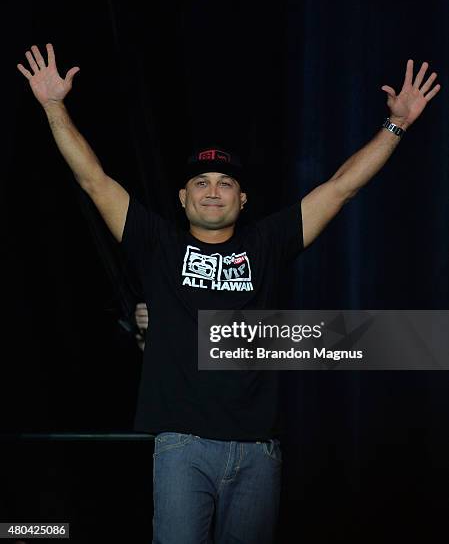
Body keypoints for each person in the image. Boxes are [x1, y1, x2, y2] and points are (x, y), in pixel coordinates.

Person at [17, 43, 440, 544]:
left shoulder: (268, 243)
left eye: (224, 182)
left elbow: (341, 186)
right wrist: (52, 105)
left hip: (259, 451)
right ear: (183, 197)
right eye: (201, 181)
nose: (213, 191)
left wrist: (396, 126)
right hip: (183, 447)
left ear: (242, 198)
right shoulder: (157, 244)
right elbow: (93, 180)